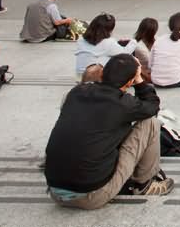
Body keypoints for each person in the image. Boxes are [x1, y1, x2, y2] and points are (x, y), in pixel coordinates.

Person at [44, 54, 173, 207]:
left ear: (103, 73)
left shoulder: (75, 92)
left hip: (54, 190)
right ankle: (144, 185)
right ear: (130, 81)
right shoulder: (123, 104)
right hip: (92, 195)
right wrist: (139, 80)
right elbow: (152, 106)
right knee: (150, 123)